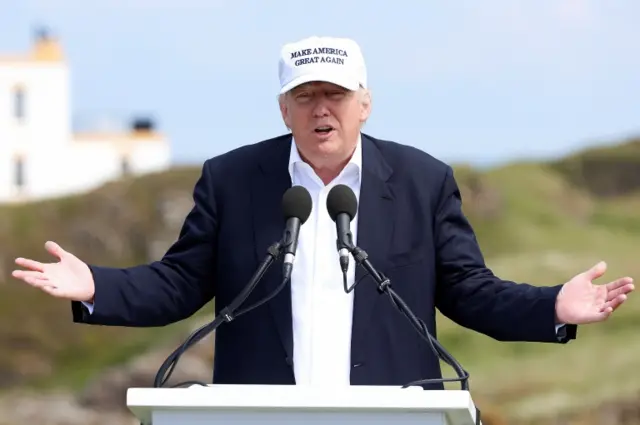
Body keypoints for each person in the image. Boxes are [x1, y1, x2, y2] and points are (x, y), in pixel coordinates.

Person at [12, 36, 634, 389]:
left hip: (389, 411)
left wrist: (553, 306)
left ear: (365, 104)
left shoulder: (421, 181)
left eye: (334, 94)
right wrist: (97, 285)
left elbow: (469, 292)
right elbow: (179, 284)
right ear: (283, 110)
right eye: (303, 96)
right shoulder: (232, 180)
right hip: (264, 412)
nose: (320, 110)